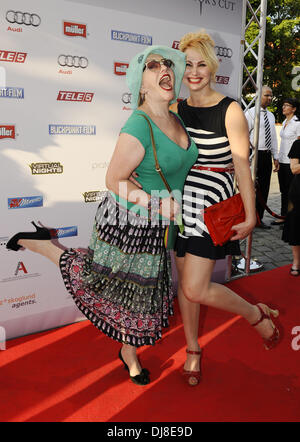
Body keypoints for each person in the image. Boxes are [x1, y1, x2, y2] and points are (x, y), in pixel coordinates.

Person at [6, 45, 199, 386]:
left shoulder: (174, 116)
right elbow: (113, 180)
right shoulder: (138, 125)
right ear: (141, 85)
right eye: (152, 66)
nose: (164, 69)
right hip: (129, 224)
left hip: (158, 226)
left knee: (137, 295)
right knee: (107, 287)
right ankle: (43, 245)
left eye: (168, 64)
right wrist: (157, 203)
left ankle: (127, 351)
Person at [132, 31, 281, 387]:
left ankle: (254, 314)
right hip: (179, 205)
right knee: (187, 286)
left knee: (197, 288)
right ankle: (193, 349)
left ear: (212, 67)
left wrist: (250, 213)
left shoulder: (230, 110)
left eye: (202, 64)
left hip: (211, 204)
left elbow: (243, 166)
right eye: (189, 65)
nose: (195, 73)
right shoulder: (174, 109)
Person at [244, 85, 279, 229]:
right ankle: (249, 218)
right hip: (254, 155)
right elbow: (244, 135)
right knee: (251, 188)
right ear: (258, 96)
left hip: (266, 155)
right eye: (267, 95)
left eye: (271, 96)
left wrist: (275, 157)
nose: (270, 98)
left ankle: (260, 218)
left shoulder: (271, 115)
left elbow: (274, 138)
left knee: (264, 188)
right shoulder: (250, 113)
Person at [273, 98, 300, 226]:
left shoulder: (297, 123)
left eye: (287, 105)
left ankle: (291, 218)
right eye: (283, 105)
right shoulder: (284, 122)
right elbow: (282, 143)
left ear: (294, 109)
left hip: (292, 162)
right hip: (282, 160)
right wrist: (277, 158)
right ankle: (283, 216)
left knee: (291, 191)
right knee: (283, 190)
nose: (283, 107)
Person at [282, 139, 300, 276]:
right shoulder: (298, 144)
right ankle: (296, 262)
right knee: (296, 226)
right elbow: (294, 168)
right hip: (298, 192)